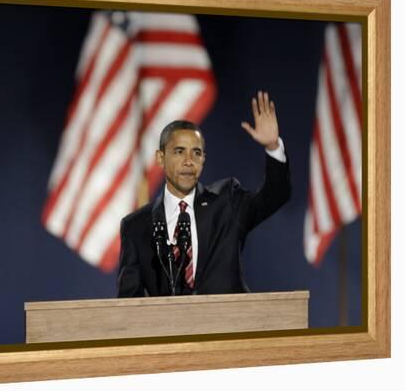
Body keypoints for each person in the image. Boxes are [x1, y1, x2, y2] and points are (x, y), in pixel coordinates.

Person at [117, 91, 291, 297]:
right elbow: (129, 302)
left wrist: (273, 147)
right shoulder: (136, 226)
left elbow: (275, 195)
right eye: (179, 151)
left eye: (196, 153)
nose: (189, 160)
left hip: (230, 326)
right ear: (161, 158)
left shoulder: (227, 202)